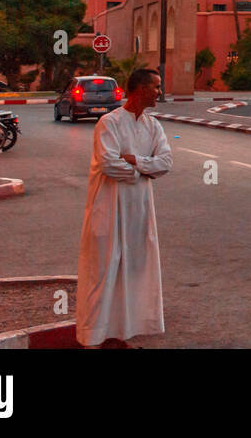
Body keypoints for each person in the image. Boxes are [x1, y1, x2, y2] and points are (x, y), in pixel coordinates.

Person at [76, 68, 173, 348]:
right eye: (155, 86)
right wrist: (142, 170)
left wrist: (136, 162)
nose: (159, 91)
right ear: (140, 89)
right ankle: (96, 337)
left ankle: (120, 337)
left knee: (133, 272)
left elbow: (166, 162)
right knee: (105, 272)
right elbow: (108, 163)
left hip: (139, 210)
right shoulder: (109, 123)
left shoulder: (153, 126)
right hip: (108, 208)